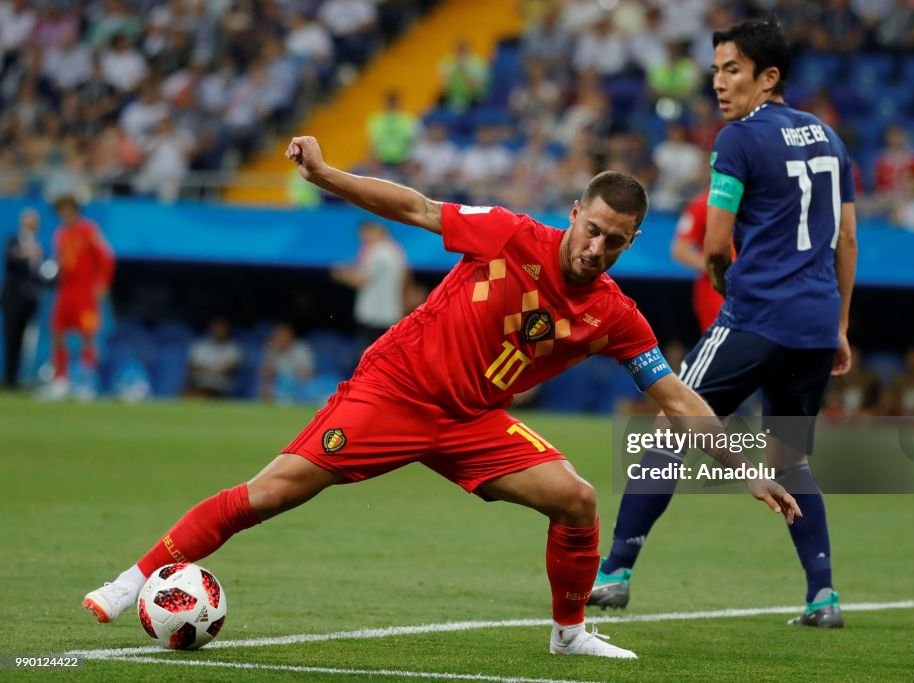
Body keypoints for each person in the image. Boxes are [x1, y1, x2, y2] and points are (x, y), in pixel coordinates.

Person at [83, 135, 801, 659]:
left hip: (471, 420)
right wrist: (328, 174)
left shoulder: (615, 313)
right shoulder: (508, 235)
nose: (596, 248)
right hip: (394, 389)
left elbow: (676, 397)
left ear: (631, 240)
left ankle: (570, 631)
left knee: (577, 498)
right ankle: (132, 580)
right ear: (576, 211)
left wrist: (745, 466)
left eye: (614, 241)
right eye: (591, 230)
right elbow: (418, 207)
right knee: (270, 493)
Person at [590, 19, 857, 630]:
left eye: (731, 69)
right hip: (816, 326)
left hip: (757, 316)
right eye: (715, 69)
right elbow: (846, 238)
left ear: (769, 77)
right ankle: (823, 596)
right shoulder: (831, 139)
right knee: (790, 460)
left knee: (666, 432)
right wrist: (840, 323)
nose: (718, 82)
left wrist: (719, 279)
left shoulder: (737, 139)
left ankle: (614, 574)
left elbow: (715, 242)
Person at [44, 195, 116, 399]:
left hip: (85, 293)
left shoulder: (89, 230)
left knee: (87, 336)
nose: (65, 214)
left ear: (75, 210)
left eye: (68, 209)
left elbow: (107, 257)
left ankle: (86, 381)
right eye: (61, 210)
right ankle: (61, 380)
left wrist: (102, 283)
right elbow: (61, 262)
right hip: (66, 292)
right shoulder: (60, 234)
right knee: (57, 334)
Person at [330, 221, 408, 349]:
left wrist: (341, 274)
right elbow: (405, 280)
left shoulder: (378, 251)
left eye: (365, 232)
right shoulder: (396, 250)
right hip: (390, 315)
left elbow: (361, 280)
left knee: (368, 358)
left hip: (374, 316)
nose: (362, 237)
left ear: (377, 230)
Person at [1, 208, 45, 389]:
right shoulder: (14, 240)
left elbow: (39, 274)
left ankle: (23, 378)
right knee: (11, 338)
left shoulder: (39, 246)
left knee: (28, 340)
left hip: (31, 300)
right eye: (29, 221)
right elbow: (11, 260)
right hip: (13, 299)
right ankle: (9, 379)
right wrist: (26, 253)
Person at [671, 188, 723, 335]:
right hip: (716, 292)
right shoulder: (703, 203)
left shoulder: (761, 201)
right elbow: (680, 250)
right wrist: (723, 268)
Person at [184, 317, 243, 399]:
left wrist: (205, 369)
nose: (218, 331)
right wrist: (214, 370)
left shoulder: (233, 348)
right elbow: (193, 368)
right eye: (216, 328)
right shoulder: (200, 346)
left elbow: (227, 370)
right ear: (211, 329)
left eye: (221, 328)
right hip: (200, 384)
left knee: (203, 394)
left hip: (222, 387)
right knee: (188, 394)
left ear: (227, 330)